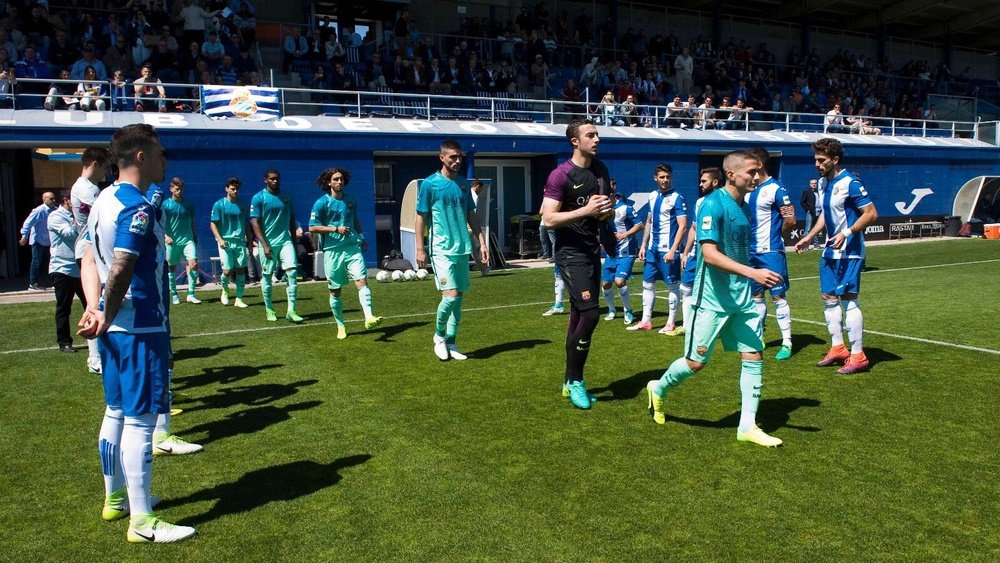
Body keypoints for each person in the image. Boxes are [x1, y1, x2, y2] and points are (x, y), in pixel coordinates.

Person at [77, 123, 197, 542]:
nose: (166, 159)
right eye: (160, 151)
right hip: (140, 326)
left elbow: (89, 259)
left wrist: (95, 312)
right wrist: (107, 311)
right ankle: (142, 521)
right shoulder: (135, 206)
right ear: (142, 156)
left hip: (113, 329)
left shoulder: (103, 199)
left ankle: (116, 501)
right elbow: (121, 266)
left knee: (115, 412)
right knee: (142, 422)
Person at [646, 150, 784, 448]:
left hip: (742, 299)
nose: (757, 177)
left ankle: (747, 425)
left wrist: (752, 275)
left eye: (759, 172)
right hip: (711, 300)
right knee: (695, 363)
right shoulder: (712, 204)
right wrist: (754, 273)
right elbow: (709, 254)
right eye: (751, 172)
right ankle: (658, 387)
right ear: (731, 174)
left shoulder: (744, 207)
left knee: (754, 355)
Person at [540, 119, 616, 409]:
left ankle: (568, 380)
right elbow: (548, 219)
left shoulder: (601, 169)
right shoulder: (560, 175)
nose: (596, 139)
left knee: (577, 316)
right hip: (570, 254)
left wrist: (604, 213)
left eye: (597, 134)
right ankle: (576, 381)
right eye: (590, 135)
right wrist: (586, 209)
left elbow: (603, 211)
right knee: (591, 314)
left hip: (591, 251)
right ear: (575, 141)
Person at [795, 138, 879, 375]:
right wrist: (809, 236)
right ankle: (837, 348)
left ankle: (858, 355)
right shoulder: (822, 183)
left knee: (849, 299)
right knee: (828, 297)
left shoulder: (851, 183)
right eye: (815, 160)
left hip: (850, 252)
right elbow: (823, 216)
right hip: (830, 250)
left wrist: (847, 232)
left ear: (835, 160)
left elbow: (871, 214)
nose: (817, 164)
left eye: (821, 160)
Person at [415, 140, 488, 361]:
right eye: (452, 157)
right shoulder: (429, 184)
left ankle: (452, 341)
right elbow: (421, 217)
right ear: (442, 158)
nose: (457, 161)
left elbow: (471, 215)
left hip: (462, 247)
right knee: (451, 295)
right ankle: (439, 336)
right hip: (440, 249)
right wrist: (420, 248)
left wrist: (481, 243)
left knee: (459, 297)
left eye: (459, 157)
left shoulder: (463, 184)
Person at [309, 167, 382, 339]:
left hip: (351, 246)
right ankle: (341, 326)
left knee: (362, 280)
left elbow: (354, 219)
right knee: (335, 291)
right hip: (332, 251)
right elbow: (312, 227)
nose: (339, 182)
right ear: (329, 182)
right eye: (335, 179)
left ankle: (369, 317)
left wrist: (362, 236)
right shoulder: (321, 203)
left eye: (341, 179)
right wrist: (335, 228)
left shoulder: (351, 200)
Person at [745, 147, 796, 360]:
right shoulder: (748, 191)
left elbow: (790, 219)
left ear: (759, 164)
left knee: (777, 296)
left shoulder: (776, 189)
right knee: (756, 296)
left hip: (771, 252)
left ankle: (787, 342)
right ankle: (758, 336)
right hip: (751, 252)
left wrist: (776, 237)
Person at [628, 163, 687, 335]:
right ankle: (646, 321)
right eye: (662, 177)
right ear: (655, 178)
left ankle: (671, 323)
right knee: (647, 284)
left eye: (668, 177)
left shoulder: (677, 198)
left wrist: (673, 249)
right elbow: (649, 221)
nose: (665, 180)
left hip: (668, 250)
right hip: (652, 250)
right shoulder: (652, 196)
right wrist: (644, 245)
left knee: (672, 286)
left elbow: (683, 226)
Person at [71, 147, 112, 374]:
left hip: (92, 250)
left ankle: (97, 355)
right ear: (95, 164)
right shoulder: (84, 188)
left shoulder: (90, 188)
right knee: (93, 304)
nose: (106, 172)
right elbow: (104, 209)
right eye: (105, 167)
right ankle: (95, 358)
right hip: (88, 252)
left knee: (98, 303)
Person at [250, 168, 303, 323]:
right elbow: (254, 222)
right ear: (265, 180)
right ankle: (269, 309)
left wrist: (294, 240)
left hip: (285, 241)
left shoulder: (286, 196)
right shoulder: (258, 198)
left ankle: (291, 311)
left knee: (292, 273)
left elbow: (292, 219)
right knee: (266, 276)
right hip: (267, 243)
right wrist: (264, 244)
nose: (275, 181)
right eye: (272, 179)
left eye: (277, 178)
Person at [679, 167, 720, 331]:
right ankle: (687, 325)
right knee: (685, 288)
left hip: (714, 254)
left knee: (714, 290)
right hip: (696, 254)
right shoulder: (699, 202)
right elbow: (694, 228)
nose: (700, 184)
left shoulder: (723, 202)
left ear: (715, 182)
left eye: (704, 181)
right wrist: (686, 252)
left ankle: (715, 325)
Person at [48, 191, 86, 353]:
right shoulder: (55, 217)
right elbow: (69, 234)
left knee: (91, 305)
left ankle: (99, 336)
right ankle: (64, 342)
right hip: (62, 269)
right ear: (66, 200)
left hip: (81, 269)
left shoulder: (75, 216)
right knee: (64, 308)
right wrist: (80, 221)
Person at [601, 186, 642, 324]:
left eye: (607, 198)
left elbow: (639, 225)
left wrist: (625, 234)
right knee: (606, 283)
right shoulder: (603, 211)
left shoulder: (626, 208)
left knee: (619, 281)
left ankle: (628, 310)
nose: (605, 201)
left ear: (612, 196)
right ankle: (612, 310)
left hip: (627, 252)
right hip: (611, 253)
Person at [209, 177, 251, 308]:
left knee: (240, 270)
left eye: (237, 189)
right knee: (227, 271)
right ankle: (225, 291)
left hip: (240, 242)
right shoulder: (219, 205)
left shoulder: (243, 206)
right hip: (225, 242)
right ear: (226, 189)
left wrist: (250, 242)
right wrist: (220, 239)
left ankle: (239, 299)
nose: (235, 191)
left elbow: (247, 225)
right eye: (233, 189)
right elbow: (213, 224)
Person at [161, 177, 201, 305]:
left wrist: (194, 235)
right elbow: (159, 223)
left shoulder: (188, 204)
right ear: (171, 189)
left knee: (193, 264)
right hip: (172, 242)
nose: (179, 191)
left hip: (188, 239)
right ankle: (174, 294)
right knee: (171, 268)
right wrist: (165, 236)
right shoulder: (165, 205)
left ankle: (191, 294)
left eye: (181, 189)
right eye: (177, 189)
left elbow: (192, 222)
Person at [19, 191, 56, 290]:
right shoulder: (39, 211)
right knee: (36, 262)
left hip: (50, 241)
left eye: (54, 198)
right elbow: (28, 223)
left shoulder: (55, 210)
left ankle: (54, 282)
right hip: (38, 241)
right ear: (44, 200)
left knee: (53, 262)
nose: (54, 201)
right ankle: (33, 283)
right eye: (51, 199)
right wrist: (24, 235)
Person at [800, 179, 820, 249]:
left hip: (818, 212)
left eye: (815, 183)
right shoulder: (807, 192)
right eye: (812, 183)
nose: (814, 184)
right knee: (808, 228)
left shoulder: (819, 191)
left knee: (815, 228)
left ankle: (816, 245)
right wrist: (808, 209)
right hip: (811, 212)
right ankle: (805, 245)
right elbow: (802, 202)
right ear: (810, 184)